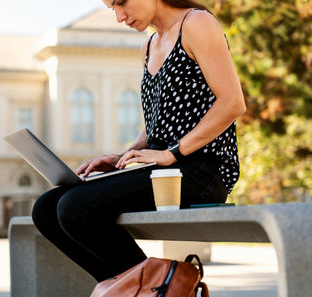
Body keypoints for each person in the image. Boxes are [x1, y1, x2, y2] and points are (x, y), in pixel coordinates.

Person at [32, 0, 246, 282]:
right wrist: (124, 155)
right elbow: (156, 123)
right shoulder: (149, 46)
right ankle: (132, 293)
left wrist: (172, 153)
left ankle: (161, 291)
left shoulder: (196, 23)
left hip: (200, 170)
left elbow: (232, 103)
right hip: (162, 171)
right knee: (46, 209)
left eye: (122, 3)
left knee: (74, 208)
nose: (120, 17)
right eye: (112, 9)